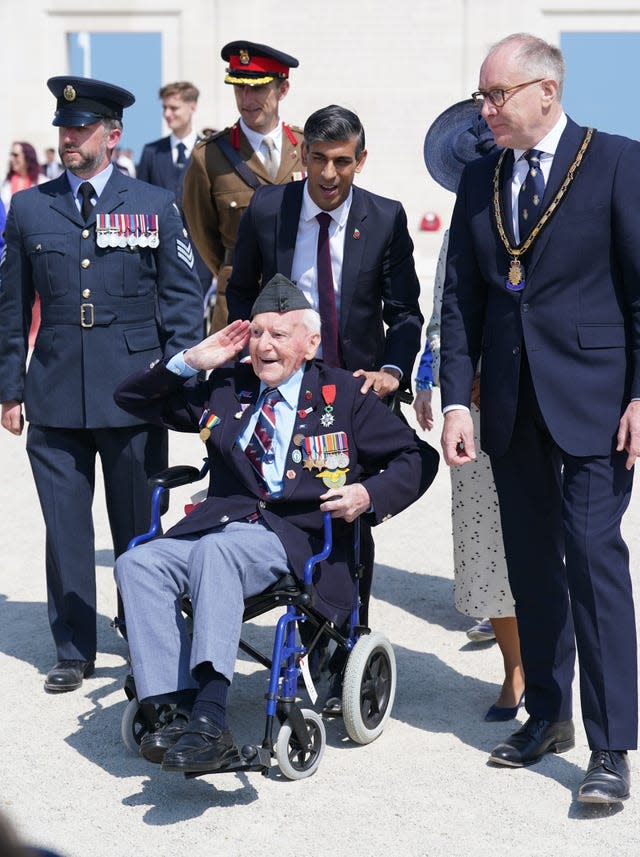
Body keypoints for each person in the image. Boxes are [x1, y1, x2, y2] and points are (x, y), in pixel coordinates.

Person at [113, 276, 436, 773]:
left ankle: (211, 718)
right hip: (218, 528)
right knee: (138, 562)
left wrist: (366, 494)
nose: (264, 345)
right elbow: (132, 399)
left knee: (216, 552)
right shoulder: (227, 387)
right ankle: (171, 710)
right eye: (258, 333)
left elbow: (416, 457)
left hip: (297, 538)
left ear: (310, 344)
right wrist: (191, 361)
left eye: (279, 335)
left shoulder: (343, 395)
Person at [440, 32, 640, 804]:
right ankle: (549, 712)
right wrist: (458, 395)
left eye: (496, 95)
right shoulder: (481, 176)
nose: (484, 109)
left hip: (595, 397)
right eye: (483, 96)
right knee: (530, 565)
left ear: (545, 94)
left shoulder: (618, 161)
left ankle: (611, 745)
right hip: (511, 403)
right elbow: (463, 293)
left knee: (592, 560)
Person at [0, 75, 203, 695]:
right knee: (64, 527)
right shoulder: (32, 207)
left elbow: (181, 302)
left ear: (112, 136)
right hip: (56, 388)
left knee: (136, 528)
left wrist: (174, 381)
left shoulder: (153, 203)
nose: (68, 138)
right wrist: (10, 387)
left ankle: (145, 637)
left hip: (134, 391)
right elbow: (10, 306)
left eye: (81, 129)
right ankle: (73, 647)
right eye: (63, 128)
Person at [227, 103, 424, 708]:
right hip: (282, 393)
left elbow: (407, 313)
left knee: (349, 517)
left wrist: (393, 372)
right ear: (302, 155)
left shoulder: (385, 218)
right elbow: (241, 299)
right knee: (281, 511)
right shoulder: (268, 209)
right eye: (319, 159)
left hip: (353, 399)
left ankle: (343, 642)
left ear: (360, 160)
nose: (330, 173)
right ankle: (299, 639)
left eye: (343, 161)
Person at [415, 99, 524, 722]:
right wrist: (436, 381)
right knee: (486, 547)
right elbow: (444, 311)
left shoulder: (550, 209)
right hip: (476, 408)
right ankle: (514, 668)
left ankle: (551, 660)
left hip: (547, 401)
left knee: (550, 542)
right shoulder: (462, 225)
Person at [182, 40, 304, 332]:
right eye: (240, 88)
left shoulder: (308, 147)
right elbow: (203, 236)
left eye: (258, 88)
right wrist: (236, 270)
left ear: (283, 89)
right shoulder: (208, 156)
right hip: (238, 308)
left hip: (302, 303)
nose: (247, 99)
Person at [137, 80, 211, 297]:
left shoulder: (208, 151)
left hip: (200, 257)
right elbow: (141, 202)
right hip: (160, 253)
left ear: (192, 106)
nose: (168, 114)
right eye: (164, 108)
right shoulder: (152, 152)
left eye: (174, 108)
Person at [1, 141, 47, 210]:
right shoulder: (5, 183)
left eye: (15, 155)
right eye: (11, 155)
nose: (11, 159)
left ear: (27, 157)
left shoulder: (43, 182)